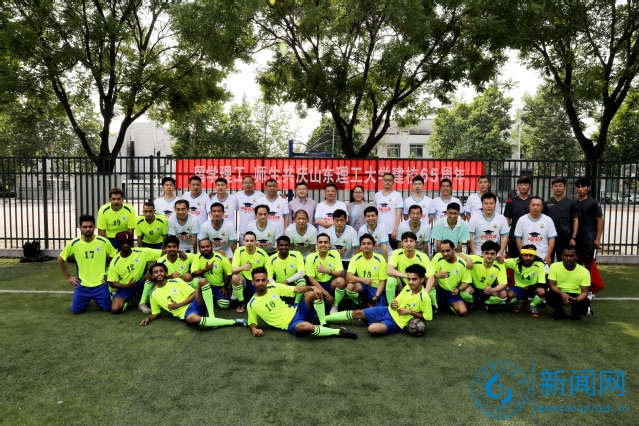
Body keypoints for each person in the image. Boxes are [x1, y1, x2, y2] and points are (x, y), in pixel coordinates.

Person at [247, 267, 357, 339]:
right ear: (252, 282)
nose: (260, 283)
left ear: (267, 281)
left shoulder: (273, 287)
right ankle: (339, 332)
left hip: (298, 311)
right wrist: (254, 330)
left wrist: (312, 287)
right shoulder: (252, 304)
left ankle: (322, 322)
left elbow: (296, 289)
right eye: (257, 280)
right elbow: (252, 323)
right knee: (307, 327)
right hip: (290, 324)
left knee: (312, 294)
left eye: (263, 280)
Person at [325, 264, 432, 336]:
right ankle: (324, 318)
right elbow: (396, 302)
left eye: (414, 279)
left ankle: (373, 320)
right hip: (387, 311)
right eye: (409, 279)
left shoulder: (424, 297)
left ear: (422, 280)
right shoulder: (407, 287)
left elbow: (427, 317)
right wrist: (394, 303)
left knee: (372, 329)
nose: (411, 282)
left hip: (397, 323)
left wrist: (410, 311)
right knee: (357, 313)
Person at [139, 262, 246, 328]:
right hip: (187, 313)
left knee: (202, 281)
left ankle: (212, 316)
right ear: (152, 276)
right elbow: (156, 313)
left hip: (196, 303)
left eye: (161, 271)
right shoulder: (153, 294)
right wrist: (149, 318)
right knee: (193, 319)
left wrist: (179, 304)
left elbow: (194, 294)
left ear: (166, 273)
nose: (159, 274)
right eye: (156, 272)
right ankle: (234, 321)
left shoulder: (176, 281)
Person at [58, 214, 117, 313]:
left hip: (100, 285)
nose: (88, 229)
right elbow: (60, 259)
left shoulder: (103, 242)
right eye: (85, 227)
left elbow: (116, 258)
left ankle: (108, 293)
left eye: (90, 226)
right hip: (82, 285)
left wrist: (110, 275)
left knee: (108, 308)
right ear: (80, 228)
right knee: (75, 310)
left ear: (94, 227)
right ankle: (85, 298)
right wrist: (68, 277)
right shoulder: (74, 243)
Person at [107, 231, 162, 313]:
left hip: (141, 283)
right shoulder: (115, 261)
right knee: (115, 309)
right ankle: (129, 298)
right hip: (126, 287)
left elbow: (163, 252)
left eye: (127, 242)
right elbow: (111, 283)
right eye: (123, 243)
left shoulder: (141, 252)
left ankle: (142, 303)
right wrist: (127, 285)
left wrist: (179, 252)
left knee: (151, 273)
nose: (126, 245)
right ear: (119, 244)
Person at [138, 235, 195, 314]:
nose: (172, 249)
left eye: (174, 246)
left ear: (178, 247)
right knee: (150, 278)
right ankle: (142, 303)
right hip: (167, 286)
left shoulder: (186, 256)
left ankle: (191, 300)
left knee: (190, 277)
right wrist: (170, 276)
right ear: (165, 248)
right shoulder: (161, 260)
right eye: (169, 247)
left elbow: (199, 257)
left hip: (182, 286)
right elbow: (157, 277)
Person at [386, 231, 435, 303]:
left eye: (411, 241)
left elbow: (431, 277)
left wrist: (424, 294)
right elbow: (389, 270)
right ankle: (391, 305)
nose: (408, 243)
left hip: (418, 286)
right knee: (391, 280)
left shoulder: (422, 256)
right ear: (402, 243)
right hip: (402, 286)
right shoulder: (397, 253)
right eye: (406, 241)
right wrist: (406, 276)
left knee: (431, 287)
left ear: (416, 243)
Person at [460, 241, 508, 312]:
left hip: (488, 290)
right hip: (474, 288)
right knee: (465, 291)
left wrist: (492, 290)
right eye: (487, 253)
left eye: (492, 254)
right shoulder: (476, 259)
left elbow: (503, 284)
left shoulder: (500, 265)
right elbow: (457, 254)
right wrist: (468, 259)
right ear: (482, 253)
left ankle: (487, 303)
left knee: (503, 294)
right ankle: (473, 302)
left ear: (496, 255)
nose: (489, 256)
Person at [231, 231, 272, 313]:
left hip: (256, 281)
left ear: (256, 242)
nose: (249, 243)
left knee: (260, 305)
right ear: (243, 241)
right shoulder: (239, 251)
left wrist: (266, 283)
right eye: (247, 241)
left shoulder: (262, 253)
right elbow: (233, 270)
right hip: (244, 281)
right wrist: (242, 268)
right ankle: (241, 302)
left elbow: (269, 273)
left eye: (251, 240)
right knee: (235, 277)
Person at [305, 233, 347, 313]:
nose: (323, 244)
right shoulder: (310, 257)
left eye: (325, 242)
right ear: (317, 244)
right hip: (317, 284)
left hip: (330, 283)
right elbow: (312, 280)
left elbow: (340, 273)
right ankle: (313, 312)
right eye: (320, 242)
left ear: (329, 244)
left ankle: (335, 305)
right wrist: (327, 295)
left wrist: (326, 271)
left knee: (341, 281)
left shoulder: (335, 253)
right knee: (310, 294)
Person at [547, 247, 592, 320]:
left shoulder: (585, 271)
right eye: (566, 255)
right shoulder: (554, 266)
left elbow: (584, 292)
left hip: (576, 295)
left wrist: (575, 300)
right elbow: (551, 285)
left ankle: (576, 311)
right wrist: (563, 294)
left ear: (577, 257)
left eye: (571, 256)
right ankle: (559, 311)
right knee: (549, 295)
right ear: (561, 256)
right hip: (560, 293)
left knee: (584, 308)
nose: (568, 258)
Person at [503, 244, 547, 317]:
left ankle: (533, 304)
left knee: (541, 291)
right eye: (525, 255)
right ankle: (520, 300)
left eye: (531, 255)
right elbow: (500, 263)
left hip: (533, 289)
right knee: (509, 295)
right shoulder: (515, 261)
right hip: (519, 287)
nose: (528, 258)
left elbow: (542, 284)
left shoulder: (539, 264)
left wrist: (528, 287)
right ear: (521, 255)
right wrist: (499, 258)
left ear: (534, 256)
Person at [346, 234, 389, 307]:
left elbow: (382, 281)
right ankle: (358, 302)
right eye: (363, 244)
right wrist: (362, 280)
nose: (366, 246)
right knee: (350, 286)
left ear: (373, 246)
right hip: (362, 286)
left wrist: (376, 296)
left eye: (369, 244)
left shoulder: (380, 259)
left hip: (376, 288)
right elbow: (348, 276)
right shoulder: (355, 258)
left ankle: (368, 302)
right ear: (360, 247)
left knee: (379, 309)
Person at [431, 240, 472, 316]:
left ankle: (446, 303)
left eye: (448, 250)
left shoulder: (462, 264)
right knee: (431, 280)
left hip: (451, 291)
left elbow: (466, 281)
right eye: (443, 251)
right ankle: (436, 301)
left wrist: (458, 289)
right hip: (437, 288)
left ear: (453, 249)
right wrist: (437, 275)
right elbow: (428, 275)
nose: (445, 253)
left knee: (463, 311)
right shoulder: (437, 257)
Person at [190, 238, 233, 310]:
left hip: (218, 285)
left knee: (224, 304)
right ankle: (198, 300)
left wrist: (224, 287)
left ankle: (213, 296)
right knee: (195, 281)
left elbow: (229, 273)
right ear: (199, 249)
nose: (205, 249)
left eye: (207, 246)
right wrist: (205, 270)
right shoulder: (197, 257)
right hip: (204, 284)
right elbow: (193, 273)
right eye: (203, 247)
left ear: (212, 246)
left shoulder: (220, 257)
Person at [543, 177, 579, 262]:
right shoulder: (547, 203)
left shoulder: (571, 203)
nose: (558, 188)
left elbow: (575, 220)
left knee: (563, 261)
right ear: (552, 187)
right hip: (550, 237)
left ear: (564, 187)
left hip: (565, 237)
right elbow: (543, 221)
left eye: (560, 186)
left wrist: (573, 237)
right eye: (555, 186)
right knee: (548, 260)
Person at [514, 196, 557, 265]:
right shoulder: (522, 220)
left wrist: (548, 255)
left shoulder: (548, 220)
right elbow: (518, 238)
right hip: (527, 256)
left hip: (543, 257)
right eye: (533, 205)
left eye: (538, 205)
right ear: (529, 206)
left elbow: (552, 239)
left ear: (542, 207)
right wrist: (522, 254)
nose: (535, 207)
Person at [467, 193, 509, 257]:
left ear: (495, 204)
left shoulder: (501, 218)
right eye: (486, 204)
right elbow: (470, 236)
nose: (489, 206)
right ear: (482, 205)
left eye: (491, 203)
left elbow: (505, 237)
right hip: (478, 254)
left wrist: (500, 253)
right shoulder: (474, 218)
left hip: (494, 255)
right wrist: (474, 253)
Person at [574, 177, 604, 266]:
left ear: (588, 188)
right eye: (578, 187)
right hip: (576, 239)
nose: (580, 189)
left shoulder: (594, 203)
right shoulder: (574, 203)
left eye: (583, 186)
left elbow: (600, 220)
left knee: (589, 264)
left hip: (589, 239)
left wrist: (598, 238)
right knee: (577, 264)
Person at [504, 176, 533, 258]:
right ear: (518, 186)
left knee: (529, 257)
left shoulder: (534, 201)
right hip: (514, 234)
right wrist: (506, 235)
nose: (523, 187)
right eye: (521, 185)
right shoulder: (511, 201)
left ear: (529, 186)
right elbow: (507, 219)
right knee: (514, 258)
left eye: (526, 185)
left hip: (530, 235)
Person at [374, 173, 403, 248]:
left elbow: (398, 214)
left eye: (390, 180)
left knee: (393, 253)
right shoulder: (377, 195)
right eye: (385, 180)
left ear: (393, 182)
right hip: (379, 230)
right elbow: (375, 214)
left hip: (392, 231)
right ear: (382, 181)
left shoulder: (397, 195)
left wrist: (395, 230)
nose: (387, 182)